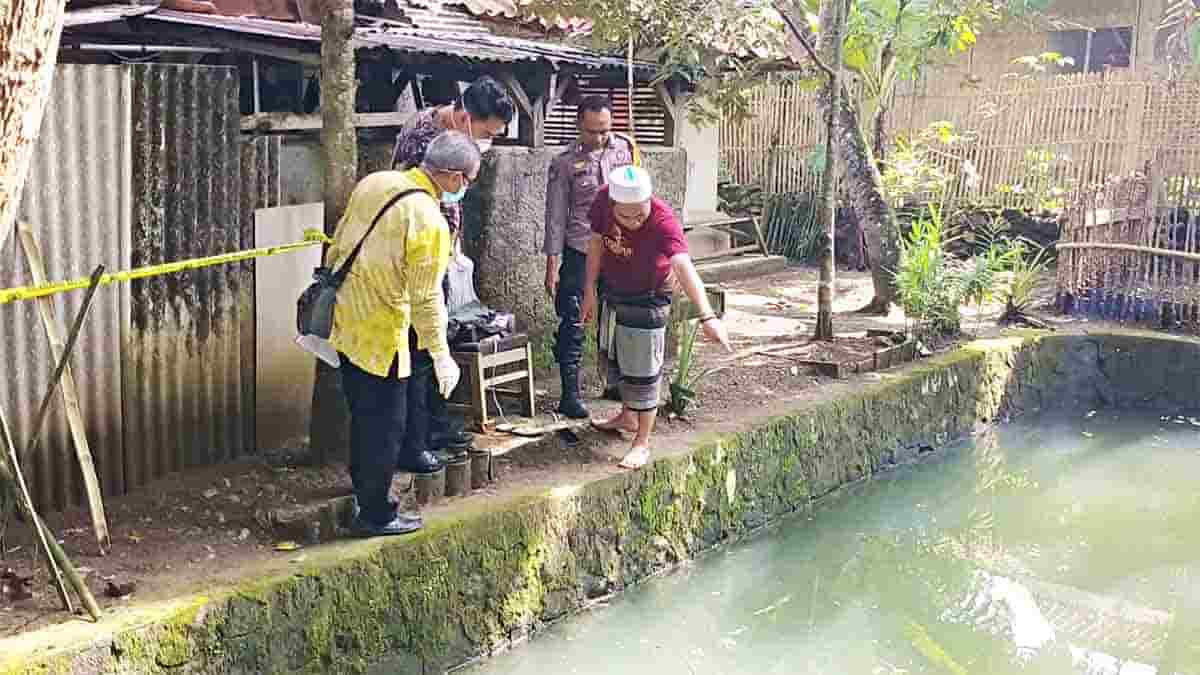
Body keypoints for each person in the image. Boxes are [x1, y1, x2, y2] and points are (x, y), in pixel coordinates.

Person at [327, 131, 480, 536]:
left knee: (362, 414)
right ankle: (375, 513)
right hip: (382, 331)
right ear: (450, 176)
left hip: (345, 319)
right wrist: (442, 355)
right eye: (467, 180)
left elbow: (339, 243)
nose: (465, 189)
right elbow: (427, 299)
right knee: (386, 425)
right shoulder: (429, 219)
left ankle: (365, 494)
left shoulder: (376, 182)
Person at [392, 76, 516, 466]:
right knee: (421, 348)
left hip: (440, 251)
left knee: (436, 340)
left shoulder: (453, 135)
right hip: (416, 258)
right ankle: (418, 439)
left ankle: (437, 424)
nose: (487, 142)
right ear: (464, 117)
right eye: (485, 133)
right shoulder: (423, 138)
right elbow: (419, 205)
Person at [582, 166, 732, 470]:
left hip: (649, 297)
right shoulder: (602, 202)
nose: (635, 222)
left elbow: (683, 266)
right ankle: (627, 415)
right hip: (614, 291)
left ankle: (642, 442)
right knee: (618, 358)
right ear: (612, 204)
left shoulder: (663, 221)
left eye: (640, 214)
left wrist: (707, 316)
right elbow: (596, 242)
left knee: (645, 370)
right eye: (626, 217)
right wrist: (589, 289)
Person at [544, 95, 640, 418]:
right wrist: (552, 264)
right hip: (580, 250)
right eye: (592, 131)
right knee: (573, 319)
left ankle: (615, 382)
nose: (600, 138)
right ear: (578, 125)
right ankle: (570, 394)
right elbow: (556, 216)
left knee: (619, 316)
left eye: (605, 130)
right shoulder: (564, 163)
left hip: (617, 248)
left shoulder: (624, 150)